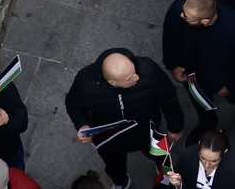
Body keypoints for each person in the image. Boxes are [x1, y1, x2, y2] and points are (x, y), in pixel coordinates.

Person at [64, 49, 185, 189]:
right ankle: (121, 182)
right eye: (129, 78)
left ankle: (161, 171)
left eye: (134, 71)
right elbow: (73, 104)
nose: (137, 78)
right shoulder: (85, 82)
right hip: (110, 138)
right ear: (112, 82)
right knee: (114, 166)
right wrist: (82, 125)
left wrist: (175, 126)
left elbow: (168, 97)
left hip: (147, 129)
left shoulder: (147, 69)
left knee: (161, 155)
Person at [161, 0, 235, 136]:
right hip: (192, 73)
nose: (181, 16)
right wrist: (173, 64)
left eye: (188, 18)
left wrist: (230, 85)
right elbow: (169, 36)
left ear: (205, 21)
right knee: (199, 102)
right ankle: (207, 124)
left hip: (224, 76)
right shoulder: (181, 7)